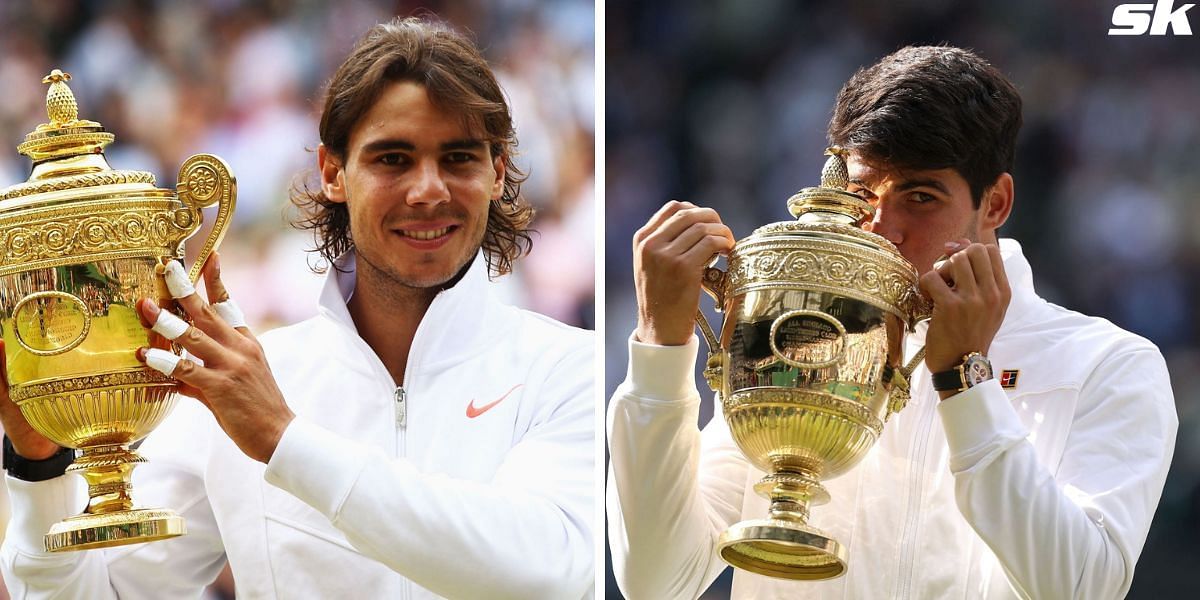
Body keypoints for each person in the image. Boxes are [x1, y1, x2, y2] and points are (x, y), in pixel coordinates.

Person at [0, 17, 594, 599]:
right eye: (393, 159)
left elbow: (552, 568)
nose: (428, 190)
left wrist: (285, 441)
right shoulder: (245, 386)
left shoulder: (569, 369)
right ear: (333, 172)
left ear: (497, 173)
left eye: (459, 158)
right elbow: (95, 594)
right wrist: (39, 468)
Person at [608, 45, 1177, 599]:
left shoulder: (1108, 364)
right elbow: (659, 581)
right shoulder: (800, 335)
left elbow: (1081, 586)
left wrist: (964, 380)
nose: (883, 228)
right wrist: (661, 349)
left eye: (920, 197)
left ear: (996, 203)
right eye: (862, 195)